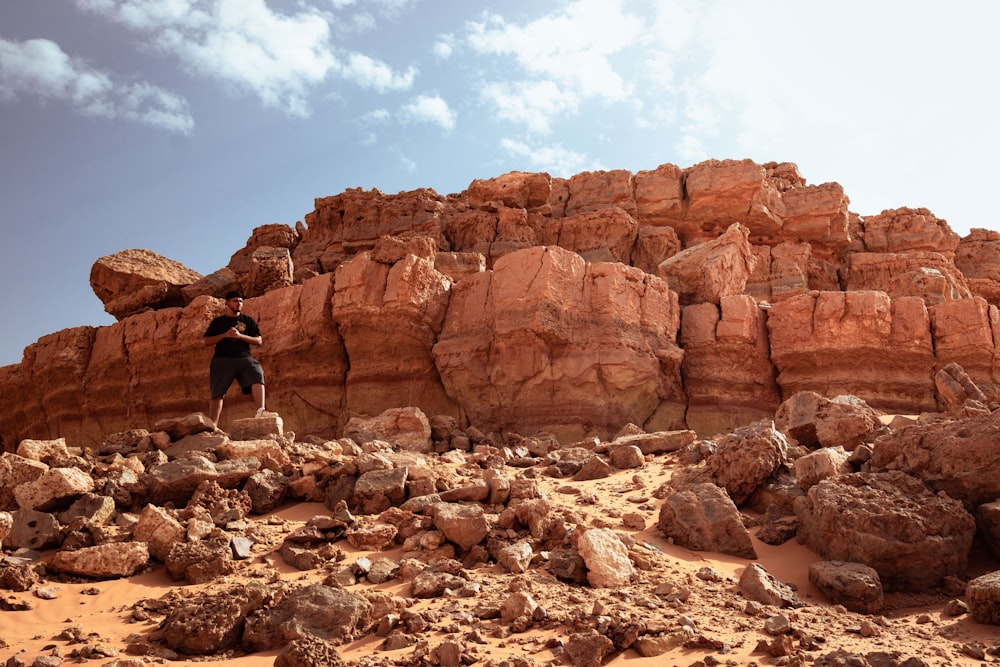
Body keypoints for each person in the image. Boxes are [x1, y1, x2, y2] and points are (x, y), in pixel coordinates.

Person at [203, 290, 275, 425]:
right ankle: (212, 425)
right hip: (222, 360)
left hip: (243, 358)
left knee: (257, 373)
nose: (238, 304)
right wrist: (225, 335)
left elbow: (258, 340)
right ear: (227, 303)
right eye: (235, 301)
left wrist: (239, 336)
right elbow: (207, 341)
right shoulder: (218, 322)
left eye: (241, 301)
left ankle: (260, 410)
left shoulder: (247, 321)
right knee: (217, 393)